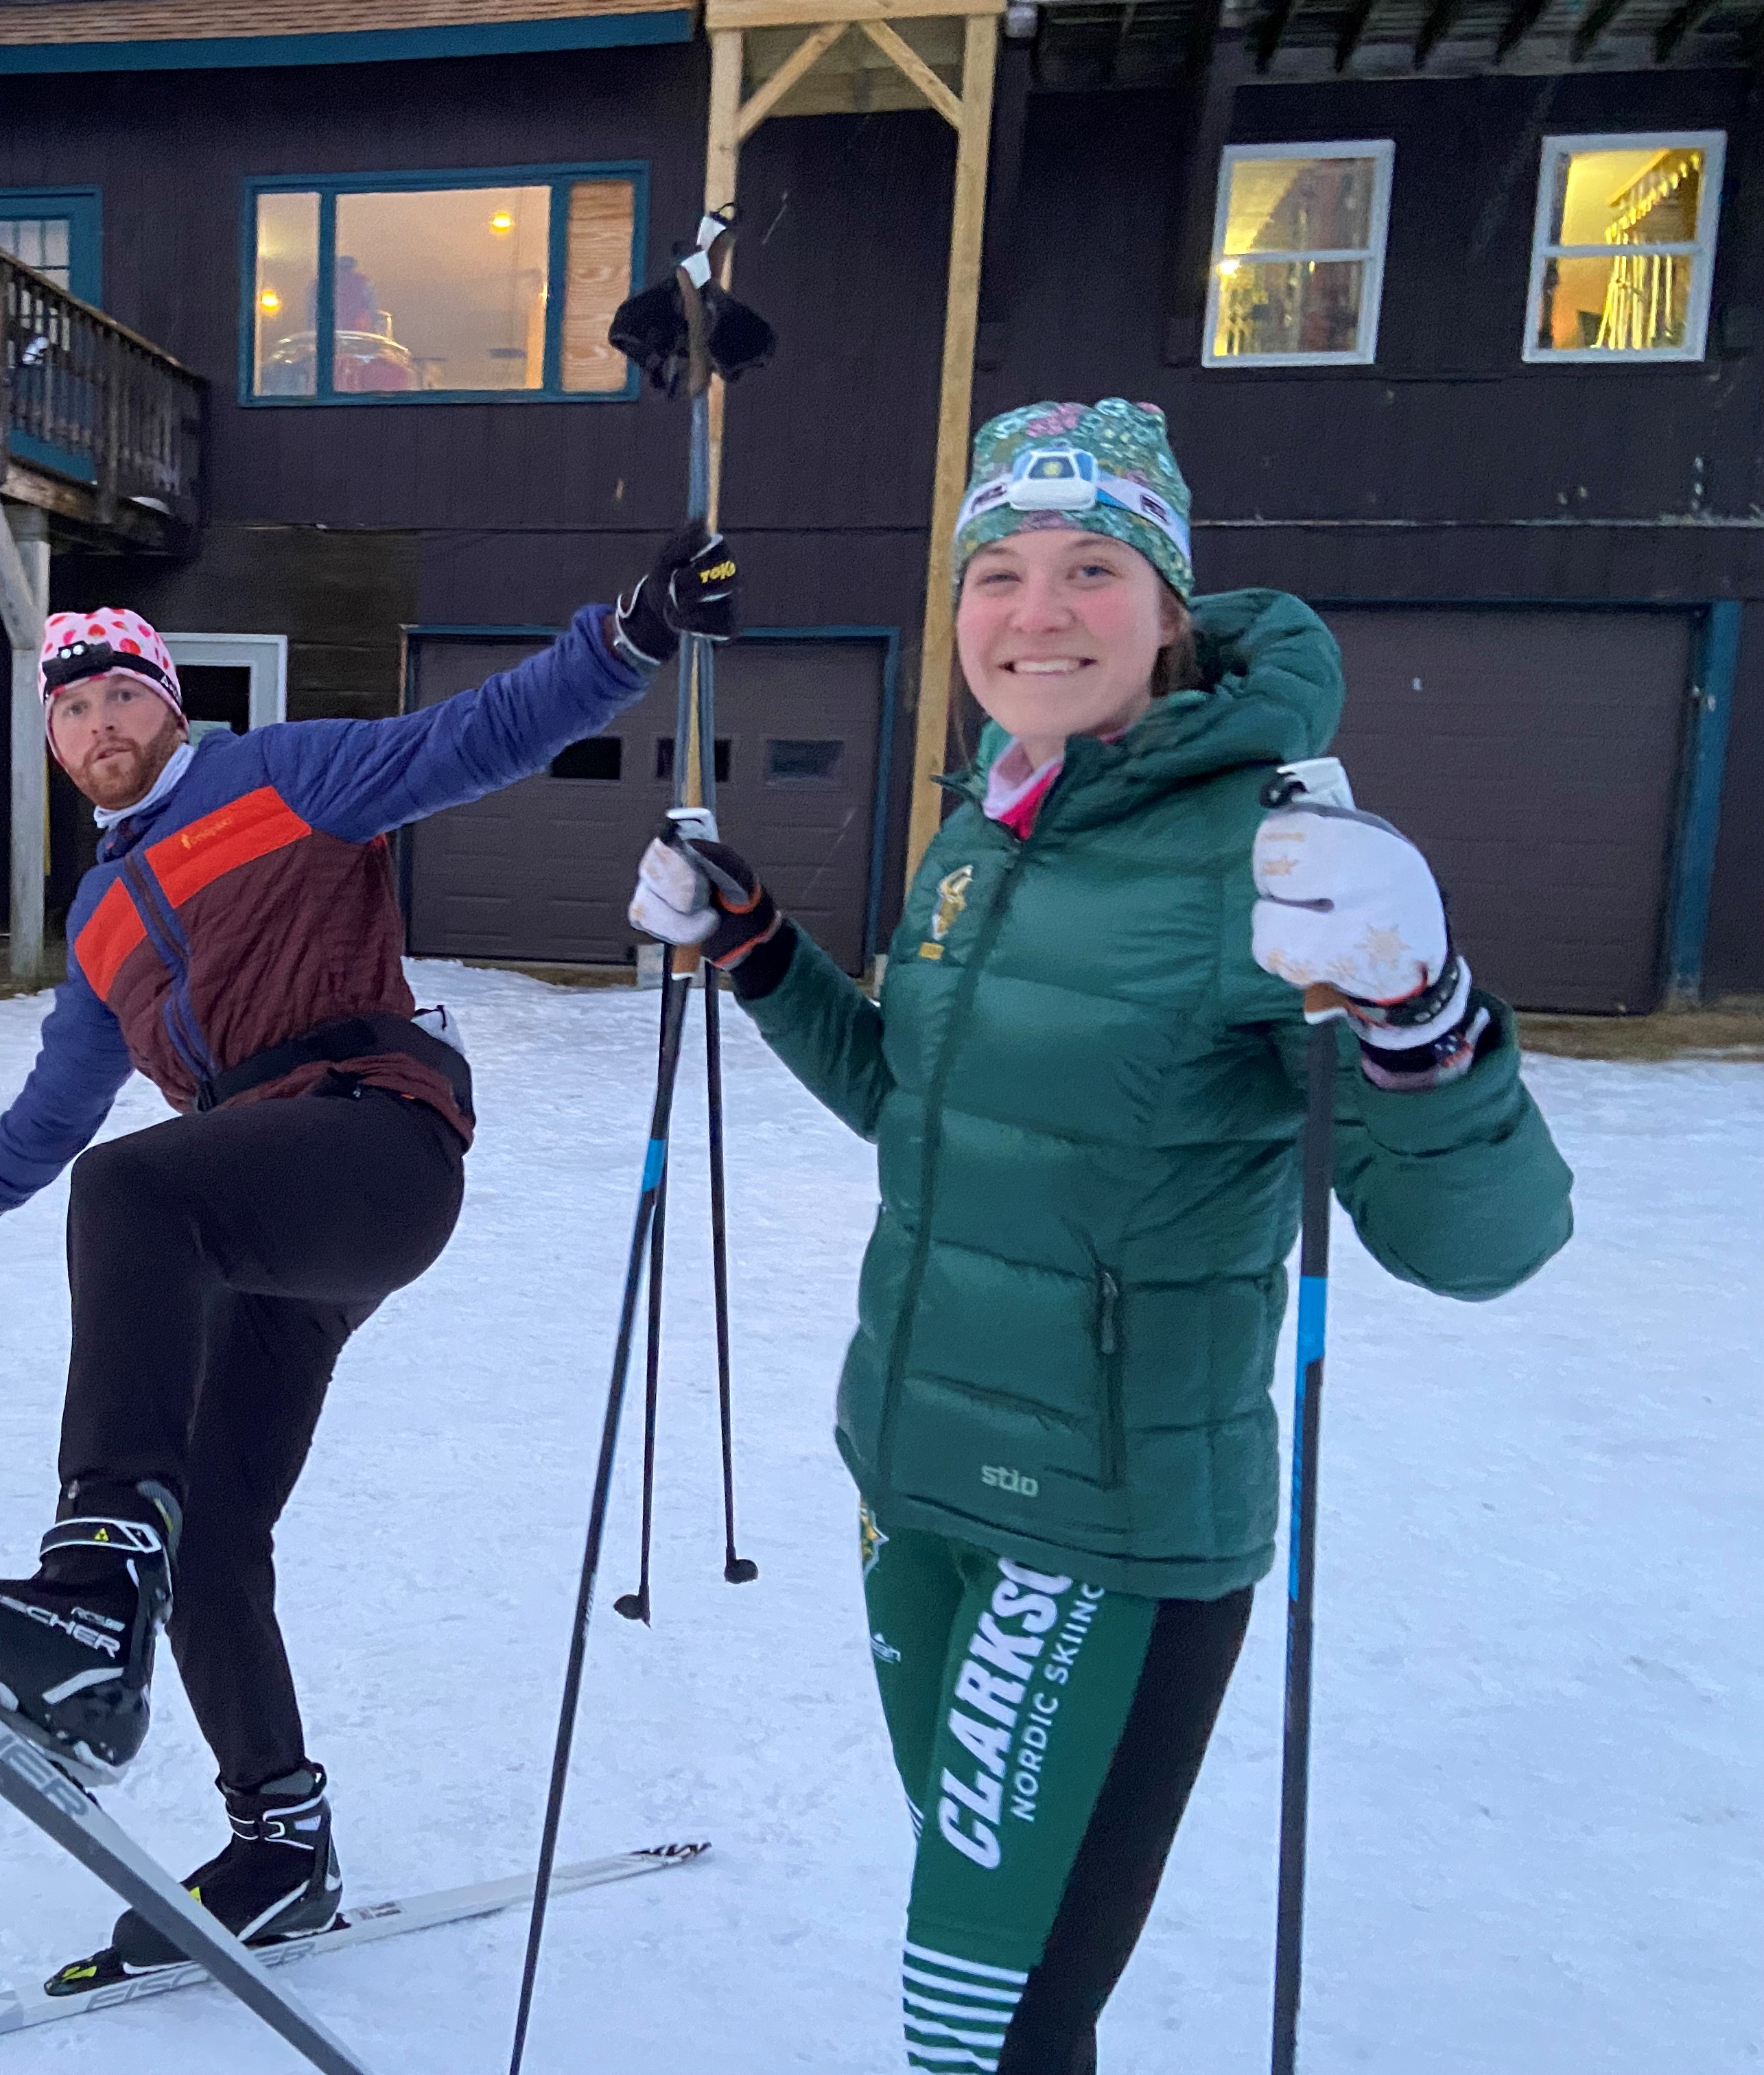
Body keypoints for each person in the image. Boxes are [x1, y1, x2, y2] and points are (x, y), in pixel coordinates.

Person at [628, 399, 1572, 2074]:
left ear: (1169, 603)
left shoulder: (1272, 854)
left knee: (977, 2029)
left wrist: (1426, 1023)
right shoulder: (991, 828)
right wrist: (762, 953)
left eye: (1088, 568)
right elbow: (927, 1113)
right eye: (996, 572)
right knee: (1000, 1995)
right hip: (912, 1490)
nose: (1035, 612)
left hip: (1108, 1537)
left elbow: (1477, 1244)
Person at [0, 526, 738, 1980]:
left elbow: (479, 736)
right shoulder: (94, 921)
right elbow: (66, 1089)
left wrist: (626, 641)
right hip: (264, 1212)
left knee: (133, 1197)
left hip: (371, 1143)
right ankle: (284, 1841)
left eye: (118, 698)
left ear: (172, 705)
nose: (96, 728)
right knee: (212, 1542)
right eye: (69, 712)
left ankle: (87, 1600)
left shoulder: (282, 780)